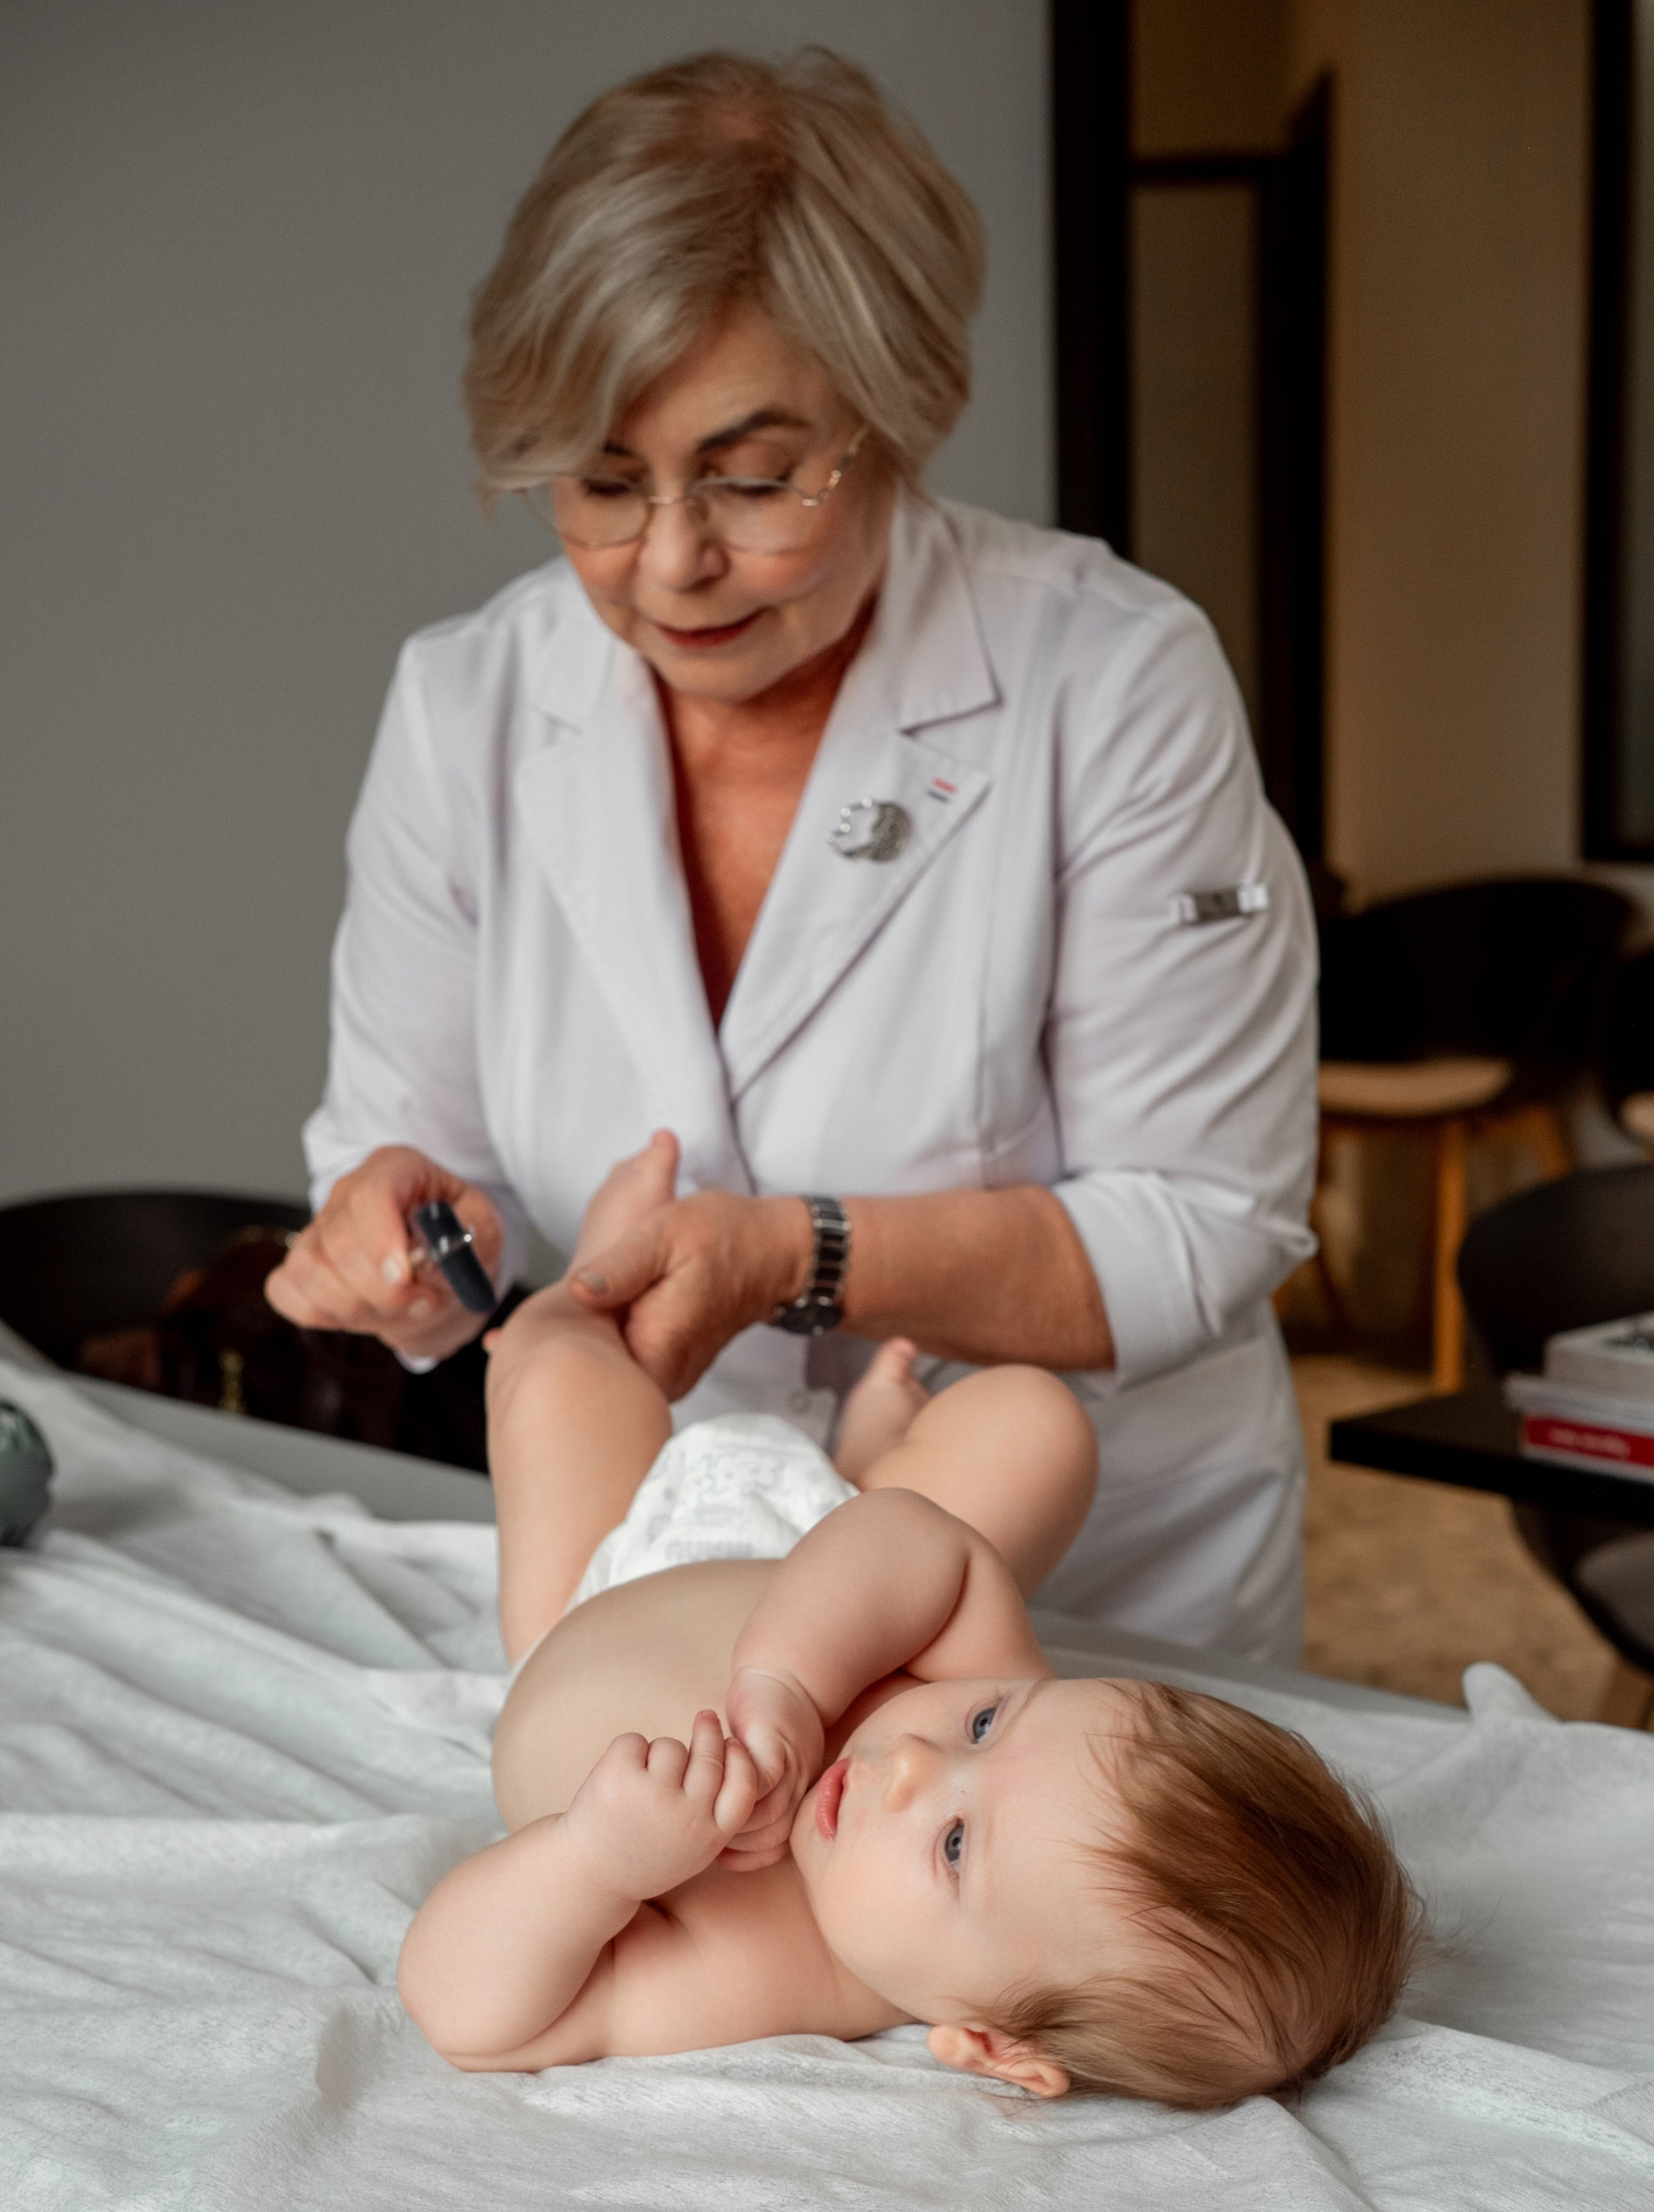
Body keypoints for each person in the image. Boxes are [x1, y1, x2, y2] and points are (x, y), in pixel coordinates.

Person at [269, 48, 1319, 1663]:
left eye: (753, 480)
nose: (671, 561)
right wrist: (404, 1247)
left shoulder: (1109, 678)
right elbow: (417, 1160)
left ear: (894, 417)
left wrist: (794, 1259)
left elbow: (1203, 1221)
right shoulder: (468, 704)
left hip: (1087, 1600)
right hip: (669, 1580)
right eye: (602, 483)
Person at [398, 1138, 1419, 2109]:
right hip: (814, 1543)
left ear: (990, 2043)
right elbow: (913, 1539)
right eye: (989, 1723)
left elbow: (469, 2018)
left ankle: (587, 1289)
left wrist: (594, 1860)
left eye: (957, 1846)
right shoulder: (970, 1683)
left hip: (601, 1582)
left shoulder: (759, 1969)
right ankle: (861, 1458)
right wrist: (788, 1683)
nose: (917, 1761)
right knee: (1033, 1420)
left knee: (554, 1379)